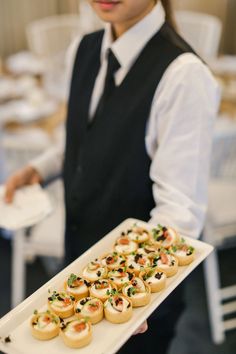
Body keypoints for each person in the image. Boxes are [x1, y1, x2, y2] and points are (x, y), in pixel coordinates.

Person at [4, 0, 220, 353]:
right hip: (79, 254)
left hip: (137, 307)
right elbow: (80, 138)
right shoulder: (84, 48)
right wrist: (38, 169)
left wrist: (133, 285)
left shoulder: (184, 75)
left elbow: (180, 210)